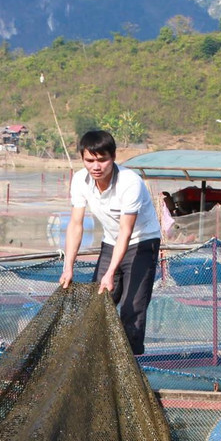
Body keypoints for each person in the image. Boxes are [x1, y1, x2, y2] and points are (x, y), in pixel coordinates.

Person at [57, 130, 162, 354]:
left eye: (102, 160)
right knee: (98, 303)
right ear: (83, 159)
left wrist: (111, 272)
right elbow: (76, 224)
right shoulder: (79, 180)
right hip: (110, 242)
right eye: (90, 160)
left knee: (132, 306)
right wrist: (68, 267)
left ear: (113, 157)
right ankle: (92, 358)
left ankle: (129, 365)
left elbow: (126, 230)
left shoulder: (129, 182)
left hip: (143, 242)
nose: (96, 166)